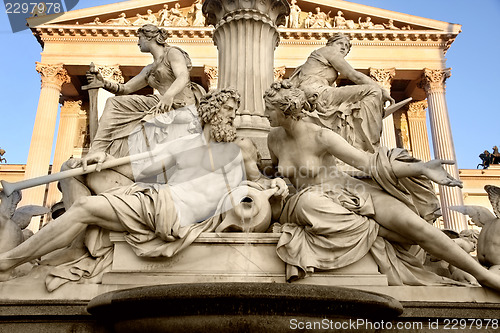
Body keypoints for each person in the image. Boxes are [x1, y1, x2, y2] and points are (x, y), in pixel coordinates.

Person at [0, 89, 288, 288]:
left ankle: (9, 262)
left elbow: (258, 179)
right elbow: (137, 171)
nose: (232, 116)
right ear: (211, 112)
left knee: (86, 209)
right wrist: (104, 160)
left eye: (234, 111)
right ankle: (16, 261)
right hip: (159, 201)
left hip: (174, 213)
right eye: (227, 109)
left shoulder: (241, 148)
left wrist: (274, 182)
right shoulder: (182, 145)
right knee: (78, 185)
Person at [263, 81, 500, 291]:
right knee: (400, 235)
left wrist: (420, 168)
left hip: (351, 191)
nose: (265, 114)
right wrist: (275, 182)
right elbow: (276, 173)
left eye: (269, 109)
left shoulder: (321, 137)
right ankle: (378, 231)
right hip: (314, 201)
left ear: (286, 109)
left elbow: (368, 163)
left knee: (416, 227)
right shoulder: (274, 139)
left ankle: (483, 276)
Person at [60, 24, 206, 208]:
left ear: (150, 37)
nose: (138, 42)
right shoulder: (151, 68)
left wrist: (168, 95)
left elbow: (183, 76)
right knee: (113, 102)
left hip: (181, 105)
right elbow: (126, 89)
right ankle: (98, 149)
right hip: (160, 104)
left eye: (140, 38)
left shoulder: (173, 53)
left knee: (141, 113)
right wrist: (102, 82)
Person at [289, 33, 395, 153]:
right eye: (340, 43)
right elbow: (354, 75)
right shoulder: (329, 51)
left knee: (355, 101)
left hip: (318, 92)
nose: (344, 47)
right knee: (372, 91)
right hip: (317, 93)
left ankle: (356, 143)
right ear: (330, 44)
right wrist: (382, 90)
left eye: (347, 46)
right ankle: (368, 146)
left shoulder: (321, 61)